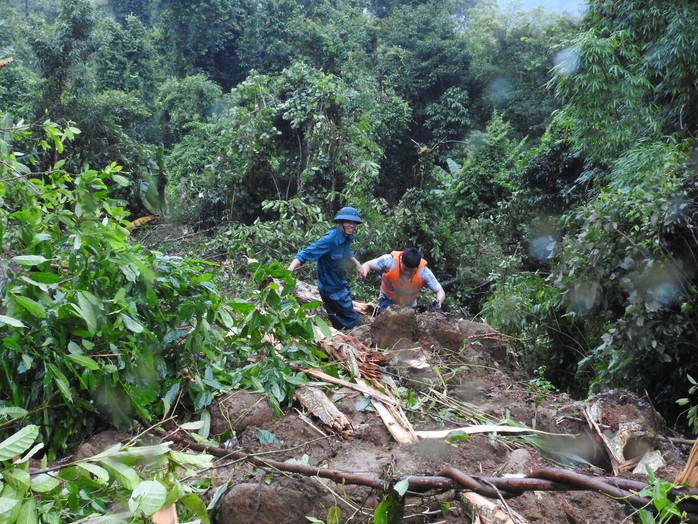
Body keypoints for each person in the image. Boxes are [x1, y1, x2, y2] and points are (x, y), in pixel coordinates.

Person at [288, 206, 367, 330]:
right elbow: (305, 253)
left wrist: (357, 264)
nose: (351, 225)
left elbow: (347, 251)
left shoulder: (347, 236)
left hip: (340, 283)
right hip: (331, 289)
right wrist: (289, 270)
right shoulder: (329, 239)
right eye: (348, 222)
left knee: (340, 323)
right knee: (352, 322)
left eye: (354, 222)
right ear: (340, 222)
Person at [361, 247, 445, 313]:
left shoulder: (424, 272)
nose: (407, 273)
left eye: (411, 271)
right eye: (405, 269)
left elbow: (440, 291)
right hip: (387, 300)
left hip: (409, 306)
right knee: (388, 324)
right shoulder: (389, 261)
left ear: (417, 266)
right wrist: (363, 272)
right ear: (401, 260)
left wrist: (438, 301)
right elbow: (368, 264)